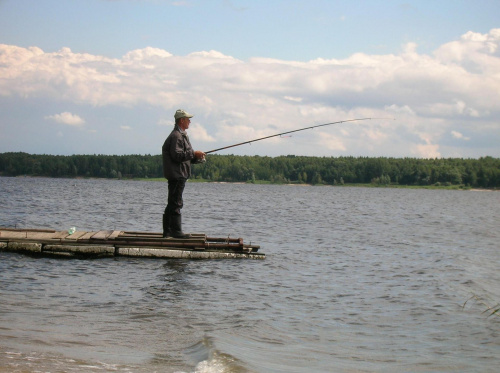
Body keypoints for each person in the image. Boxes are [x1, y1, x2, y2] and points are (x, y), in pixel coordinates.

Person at [162, 109, 206, 238]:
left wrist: (197, 157)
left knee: (174, 202)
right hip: (177, 175)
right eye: (188, 119)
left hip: (179, 174)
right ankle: (174, 232)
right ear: (182, 120)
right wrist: (194, 153)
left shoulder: (181, 135)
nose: (190, 122)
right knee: (175, 203)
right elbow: (177, 155)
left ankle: (169, 231)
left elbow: (184, 157)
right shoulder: (176, 136)